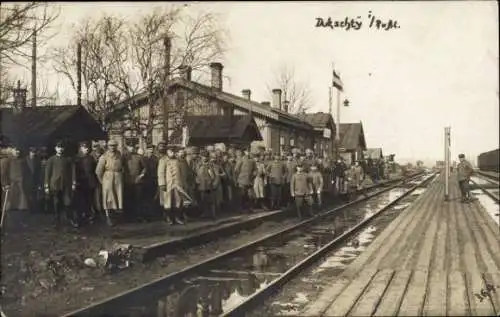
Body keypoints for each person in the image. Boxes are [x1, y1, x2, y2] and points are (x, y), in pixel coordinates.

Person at [44, 141, 77, 228]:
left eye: (62, 147)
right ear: (55, 148)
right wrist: (46, 185)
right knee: (56, 203)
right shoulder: (51, 160)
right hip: (55, 184)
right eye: (58, 147)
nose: (60, 149)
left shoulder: (68, 159)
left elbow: (72, 171)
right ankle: (56, 221)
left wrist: (73, 182)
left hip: (66, 184)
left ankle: (70, 219)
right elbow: (47, 173)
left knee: (68, 202)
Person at [95, 139, 126, 227]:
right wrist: (102, 181)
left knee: (118, 197)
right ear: (108, 147)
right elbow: (98, 171)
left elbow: (123, 166)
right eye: (110, 146)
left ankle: (117, 216)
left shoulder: (119, 155)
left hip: (118, 177)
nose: (112, 147)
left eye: (114, 146)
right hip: (108, 178)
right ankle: (108, 217)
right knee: (108, 197)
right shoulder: (104, 156)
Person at [158, 146, 191, 225]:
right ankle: (169, 218)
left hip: (177, 184)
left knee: (177, 202)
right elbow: (161, 173)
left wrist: (183, 183)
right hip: (168, 184)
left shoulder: (177, 161)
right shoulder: (163, 160)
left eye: (173, 152)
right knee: (168, 202)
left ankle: (177, 218)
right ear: (167, 152)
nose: (172, 153)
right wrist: (162, 183)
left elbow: (182, 173)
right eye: (170, 152)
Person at [75, 141, 99, 225]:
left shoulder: (91, 158)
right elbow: (74, 172)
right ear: (80, 148)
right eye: (84, 147)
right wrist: (75, 181)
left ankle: (89, 216)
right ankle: (81, 217)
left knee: (89, 201)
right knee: (81, 201)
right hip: (80, 183)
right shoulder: (77, 159)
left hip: (90, 182)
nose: (86, 149)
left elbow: (95, 169)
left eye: (87, 148)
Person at [124, 144, 146, 222]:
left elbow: (144, 168)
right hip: (128, 181)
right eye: (130, 147)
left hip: (138, 181)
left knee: (139, 199)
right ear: (127, 148)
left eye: (132, 147)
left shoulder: (139, 157)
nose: (131, 149)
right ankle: (129, 217)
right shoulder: (124, 158)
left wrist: (141, 175)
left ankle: (139, 216)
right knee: (128, 199)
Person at [195, 151, 216, 219]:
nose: (204, 158)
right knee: (202, 200)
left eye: (206, 157)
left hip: (208, 185)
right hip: (201, 185)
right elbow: (195, 173)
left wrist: (211, 180)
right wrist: (196, 180)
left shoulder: (210, 165)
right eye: (203, 157)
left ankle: (212, 214)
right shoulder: (198, 164)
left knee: (210, 200)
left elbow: (213, 175)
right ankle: (204, 213)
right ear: (201, 157)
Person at [25, 147, 42, 213]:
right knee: (27, 195)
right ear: (29, 152)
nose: (33, 153)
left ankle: (34, 209)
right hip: (27, 181)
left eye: (34, 152)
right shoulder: (25, 160)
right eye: (32, 152)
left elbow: (39, 173)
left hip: (35, 181)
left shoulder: (37, 161)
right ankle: (28, 209)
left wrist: (39, 183)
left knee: (34, 195)